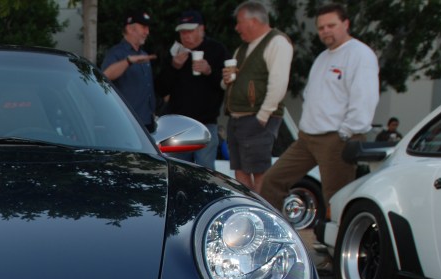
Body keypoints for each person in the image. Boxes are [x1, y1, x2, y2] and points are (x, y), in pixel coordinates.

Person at [260, 3, 379, 216]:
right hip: (307, 138)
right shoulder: (323, 57)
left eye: (331, 25)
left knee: (336, 196)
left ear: (346, 24)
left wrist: (346, 132)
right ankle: (272, 232)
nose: (325, 31)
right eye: (321, 27)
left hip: (337, 137)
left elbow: (365, 98)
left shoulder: (360, 54)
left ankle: (336, 244)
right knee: (272, 180)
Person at [221, 1, 293, 193]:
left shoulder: (277, 42)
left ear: (253, 21)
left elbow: (278, 83)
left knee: (260, 172)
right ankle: (248, 213)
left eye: (239, 22)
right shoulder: (242, 48)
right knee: (240, 170)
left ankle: (263, 215)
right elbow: (228, 83)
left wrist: (262, 116)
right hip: (237, 117)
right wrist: (226, 80)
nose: (236, 28)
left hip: (257, 117)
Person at [156, 9, 230, 169]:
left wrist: (209, 71)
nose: (185, 36)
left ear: (201, 29)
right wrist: (174, 66)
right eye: (182, 32)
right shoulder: (175, 52)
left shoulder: (216, 50)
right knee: (177, 170)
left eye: (190, 31)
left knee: (205, 171)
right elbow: (161, 88)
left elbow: (225, 84)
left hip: (206, 123)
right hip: (178, 125)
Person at [102, 9, 157, 131]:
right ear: (130, 28)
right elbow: (104, 76)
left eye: (148, 28)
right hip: (125, 124)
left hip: (147, 122)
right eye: (143, 27)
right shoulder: (116, 53)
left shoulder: (144, 54)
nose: (147, 32)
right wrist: (128, 61)